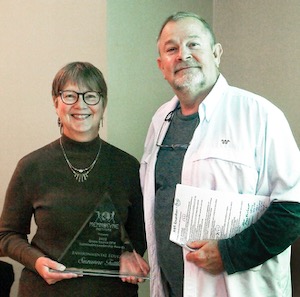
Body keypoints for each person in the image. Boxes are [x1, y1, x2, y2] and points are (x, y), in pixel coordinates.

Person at [140, 11, 300, 297]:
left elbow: (293, 209)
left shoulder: (260, 115)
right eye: (171, 49)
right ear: (161, 65)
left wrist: (230, 253)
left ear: (216, 53)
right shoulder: (160, 121)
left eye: (193, 44)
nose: (182, 55)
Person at [0, 61, 149, 297]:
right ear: (55, 102)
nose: (80, 105)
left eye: (91, 96)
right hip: (45, 291)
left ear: (103, 103)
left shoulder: (128, 167)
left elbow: (140, 235)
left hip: (111, 292)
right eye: (70, 95)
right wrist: (37, 261)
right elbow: (6, 236)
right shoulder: (31, 166)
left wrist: (131, 254)